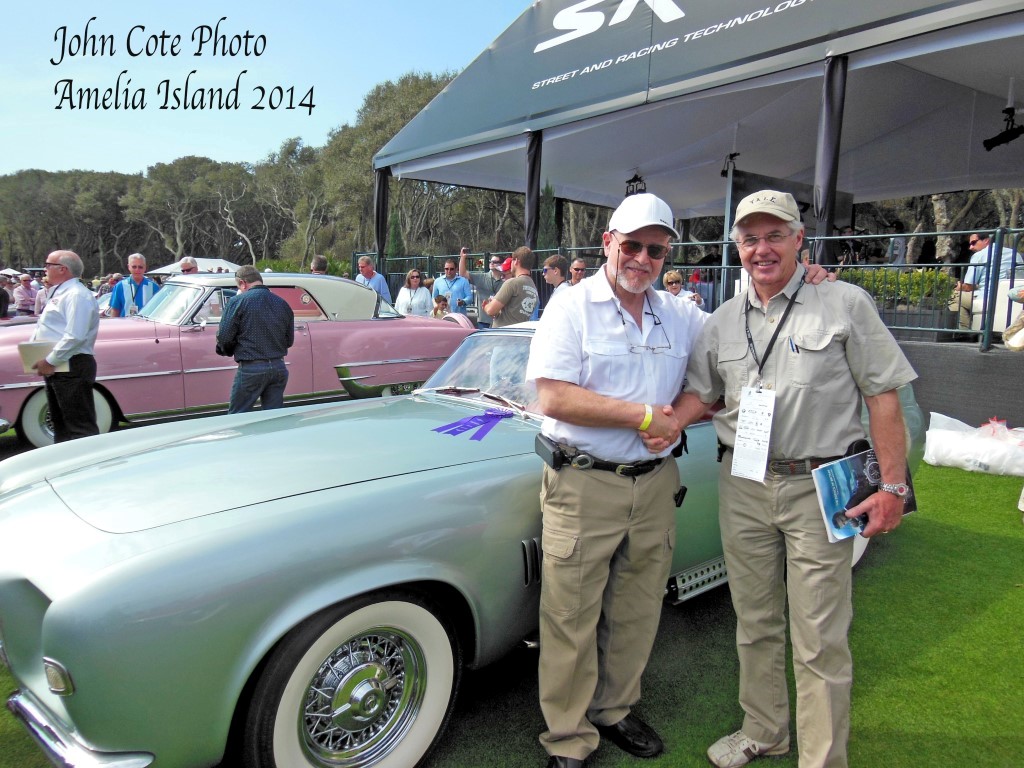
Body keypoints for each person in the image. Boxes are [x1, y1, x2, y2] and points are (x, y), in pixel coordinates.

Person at [665, 190, 916, 768]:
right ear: (737, 246)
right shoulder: (721, 321)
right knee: (754, 621)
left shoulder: (844, 303)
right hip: (744, 484)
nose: (762, 248)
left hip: (817, 489)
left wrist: (893, 488)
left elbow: (882, 398)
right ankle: (765, 730)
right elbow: (702, 394)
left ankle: (822, 759)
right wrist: (661, 423)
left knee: (820, 633)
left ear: (800, 239)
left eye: (775, 234)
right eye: (750, 238)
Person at [525, 193, 708, 768]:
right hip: (584, 483)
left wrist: (679, 415)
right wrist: (646, 416)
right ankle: (569, 738)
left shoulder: (680, 313)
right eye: (631, 245)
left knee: (637, 606)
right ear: (608, 242)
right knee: (570, 617)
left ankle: (615, 708)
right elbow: (553, 394)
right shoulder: (571, 306)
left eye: (656, 249)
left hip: (655, 482)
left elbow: (727, 359)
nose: (642, 258)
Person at [29, 250, 101, 442]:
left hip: (72, 365)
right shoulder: (62, 292)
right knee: (62, 427)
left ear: (63, 269)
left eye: (48, 264)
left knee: (79, 429)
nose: (45, 268)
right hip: (61, 365)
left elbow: (75, 336)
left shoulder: (77, 295)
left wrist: (50, 360)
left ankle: (87, 468)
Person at [216, 265, 294, 414]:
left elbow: (224, 336)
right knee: (274, 417)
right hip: (278, 366)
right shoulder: (282, 304)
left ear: (243, 283)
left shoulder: (237, 302)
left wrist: (226, 350)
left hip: (251, 367)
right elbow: (289, 341)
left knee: (238, 415)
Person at [948, 231, 1024, 329]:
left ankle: (964, 332)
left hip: (986, 297)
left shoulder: (979, 255)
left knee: (953, 296)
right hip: (1012, 298)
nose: (970, 247)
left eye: (973, 242)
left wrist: (959, 287)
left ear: (986, 240)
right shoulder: (1015, 254)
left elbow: (968, 286)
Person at [483, 247, 539, 328]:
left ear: (516, 261)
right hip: (519, 335)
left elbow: (490, 310)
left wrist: (486, 306)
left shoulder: (512, 283)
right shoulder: (533, 287)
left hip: (503, 335)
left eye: (512, 260)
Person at [460, 248, 505, 327]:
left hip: (500, 320)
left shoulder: (506, 281)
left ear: (501, 264)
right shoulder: (482, 277)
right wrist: (463, 258)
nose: (492, 263)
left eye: (495, 262)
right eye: (491, 261)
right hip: (484, 321)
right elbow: (463, 273)